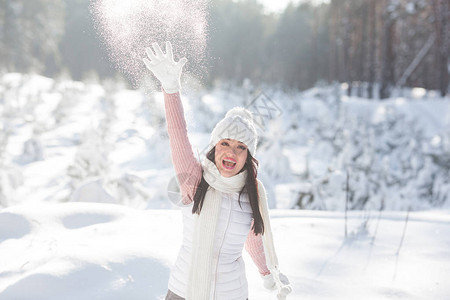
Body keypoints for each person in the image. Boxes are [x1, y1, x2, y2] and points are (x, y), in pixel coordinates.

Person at [143, 42, 290, 300]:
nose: (231, 152)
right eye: (224, 143)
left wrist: (267, 272)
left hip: (231, 294)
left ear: (248, 156)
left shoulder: (251, 194)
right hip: (183, 290)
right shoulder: (195, 180)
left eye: (240, 147)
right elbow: (178, 133)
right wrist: (171, 90)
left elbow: (253, 239)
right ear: (214, 147)